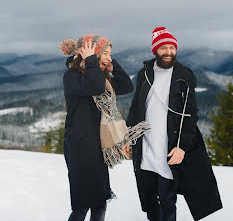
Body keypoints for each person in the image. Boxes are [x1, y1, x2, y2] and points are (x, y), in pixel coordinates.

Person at [127, 27, 223, 221]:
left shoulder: (184, 76)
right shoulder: (144, 74)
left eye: (172, 47)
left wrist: (181, 147)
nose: (169, 52)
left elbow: (191, 115)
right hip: (146, 147)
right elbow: (136, 108)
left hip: (169, 149)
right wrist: (129, 137)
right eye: (164, 47)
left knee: (167, 199)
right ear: (155, 50)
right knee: (149, 198)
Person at [60, 34, 146, 221]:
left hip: (97, 147)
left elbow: (126, 86)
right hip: (80, 148)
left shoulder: (100, 78)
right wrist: (91, 59)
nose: (108, 57)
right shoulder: (73, 77)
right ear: (91, 53)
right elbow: (96, 87)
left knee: (99, 202)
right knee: (82, 205)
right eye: (105, 53)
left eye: (110, 53)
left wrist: (111, 63)